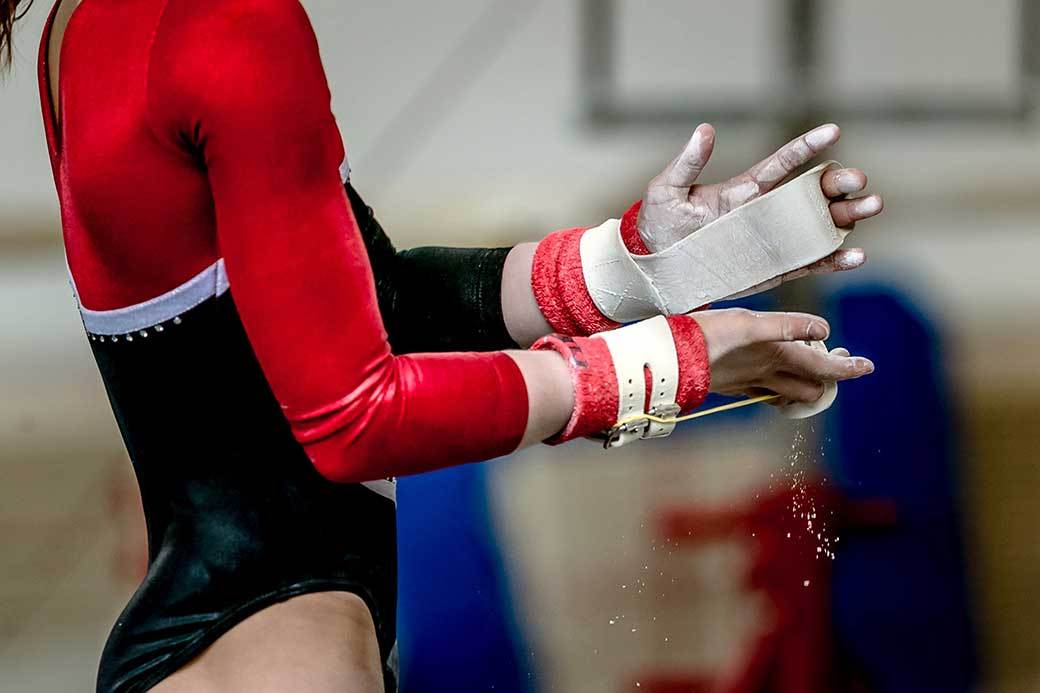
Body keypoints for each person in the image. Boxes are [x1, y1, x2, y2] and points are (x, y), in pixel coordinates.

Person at [1, 0, 882, 690]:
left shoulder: (90, 26)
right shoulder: (229, 25)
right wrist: (675, 362)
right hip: (278, 651)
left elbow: (353, 304)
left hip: (202, 643)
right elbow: (354, 419)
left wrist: (633, 265)